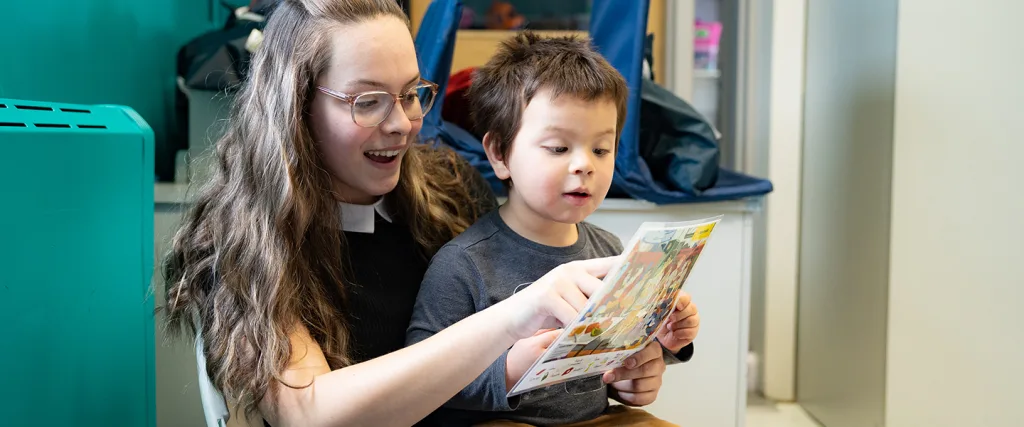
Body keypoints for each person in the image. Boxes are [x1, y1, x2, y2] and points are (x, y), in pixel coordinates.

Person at [161, 1, 670, 426]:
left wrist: (621, 366)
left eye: (411, 94)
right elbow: (307, 412)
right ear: (295, 107)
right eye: (368, 101)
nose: (402, 123)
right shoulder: (243, 237)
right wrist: (513, 317)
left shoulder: (448, 189)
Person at [406, 33, 701, 426]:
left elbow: (615, 357)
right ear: (499, 153)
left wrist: (657, 351)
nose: (585, 165)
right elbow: (417, 382)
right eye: (559, 148)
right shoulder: (463, 263)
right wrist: (508, 371)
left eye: (601, 149)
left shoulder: (608, 250)